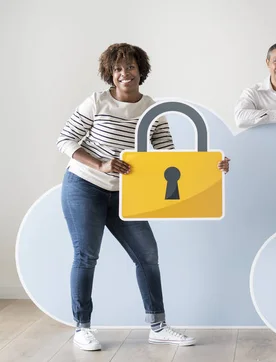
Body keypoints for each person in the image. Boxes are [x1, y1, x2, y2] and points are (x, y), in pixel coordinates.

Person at [56, 43, 230, 351]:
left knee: (148, 256)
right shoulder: (96, 102)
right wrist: (100, 164)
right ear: (110, 73)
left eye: (131, 67)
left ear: (141, 70)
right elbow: (65, 139)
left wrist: (211, 169)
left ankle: (158, 326)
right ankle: (82, 327)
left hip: (125, 194)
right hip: (84, 185)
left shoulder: (152, 109)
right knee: (87, 255)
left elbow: (168, 159)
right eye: (118, 68)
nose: (125, 73)